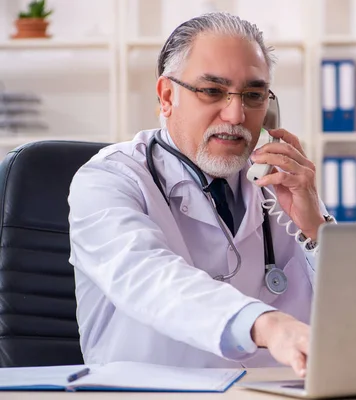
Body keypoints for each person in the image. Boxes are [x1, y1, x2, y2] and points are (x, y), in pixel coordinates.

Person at [67, 12, 333, 378]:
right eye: (212, 91)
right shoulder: (109, 180)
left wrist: (316, 230)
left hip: (274, 391)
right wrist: (267, 324)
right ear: (166, 96)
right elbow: (151, 278)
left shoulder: (282, 182)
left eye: (253, 95)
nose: (236, 113)